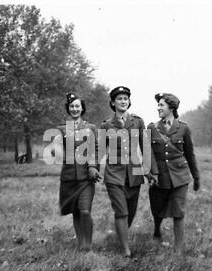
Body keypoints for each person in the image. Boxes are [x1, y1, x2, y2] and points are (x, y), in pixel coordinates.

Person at [100, 86, 159, 257]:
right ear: (113, 102)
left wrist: (151, 171)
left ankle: (120, 233)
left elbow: (145, 148)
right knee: (122, 211)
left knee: (131, 213)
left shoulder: (137, 122)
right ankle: (126, 250)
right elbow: (99, 149)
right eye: (119, 99)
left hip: (134, 174)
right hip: (114, 175)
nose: (123, 101)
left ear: (129, 102)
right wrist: (91, 167)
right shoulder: (106, 125)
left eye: (125, 98)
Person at [147, 93, 200, 255]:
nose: (158, 108)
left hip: (180, 176)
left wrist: (196, 177)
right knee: (157, 208)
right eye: (158, 105)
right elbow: (147, 153)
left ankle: (178, 249)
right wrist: (151, 173)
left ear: (171, 108)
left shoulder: (183, 128)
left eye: (161, 105)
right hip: (159, 177)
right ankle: (157, 230)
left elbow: (190, 154)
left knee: (179, 211)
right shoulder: (152, 128)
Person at [52, 93, 101, 251]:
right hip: (69, 178)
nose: (74, 109)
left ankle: (89, 242)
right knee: (76, 211)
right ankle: (81, 243)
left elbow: (96, 149)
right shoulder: (61, 129)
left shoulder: (91, 128)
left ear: (82, 108)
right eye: (72, 106)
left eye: (77, 106)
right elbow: (56, 151)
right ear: (68, 109)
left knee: (85, 210)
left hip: (86, 177)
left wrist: (93, 166)